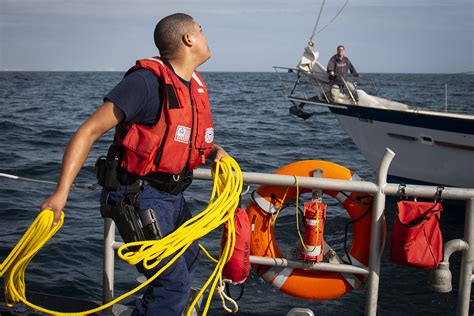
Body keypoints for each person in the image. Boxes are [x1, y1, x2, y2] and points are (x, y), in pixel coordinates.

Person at [40, 13, 229, 316]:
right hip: (139, 197)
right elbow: (88, 131)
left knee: (190, 257)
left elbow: (179, 139)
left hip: (173, 197)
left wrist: (213, 152)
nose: (206, 36)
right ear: (188, 39)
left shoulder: (191, 85)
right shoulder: (144, 82)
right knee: (173, 285)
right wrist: (61, 193)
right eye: (201, 30)